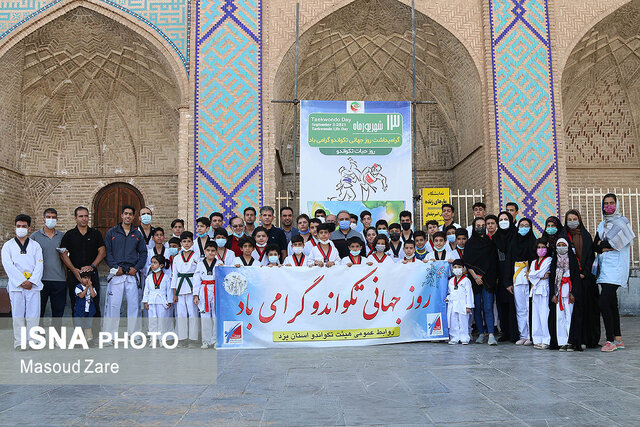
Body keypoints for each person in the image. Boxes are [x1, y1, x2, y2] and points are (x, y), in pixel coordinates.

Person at [594, 193, 635, 352]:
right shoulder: (602, 225)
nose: (608, 206)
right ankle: (618, 339)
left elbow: (614, 244)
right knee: (611, 303)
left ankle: (609, 340)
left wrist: (604, 244)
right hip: (604, 268)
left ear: (617, 204)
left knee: (603, 302)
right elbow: (596, 246)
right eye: (606, 203)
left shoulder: (622, 223)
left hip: (617, 268)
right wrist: (604, 245)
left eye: (611, 203)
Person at [103, 205, 147, 345]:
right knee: (113, 306)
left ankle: (135, 335)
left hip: (132, 274)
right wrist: (115, 268)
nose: (128, 216)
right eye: (125, 214)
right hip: (117, 274)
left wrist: (137, 267)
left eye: (130, 214)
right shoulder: (112, 232)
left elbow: (143, 253)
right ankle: (110, 337)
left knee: (134, 305)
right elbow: (107, 252)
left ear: (134, 217)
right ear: (121, 215)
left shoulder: (137, 233)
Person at [60, 206, 105, 334]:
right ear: (75, 218)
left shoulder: (95, 234)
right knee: (77, 306)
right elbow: (63, 254)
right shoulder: (69, 235)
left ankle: (94, 336)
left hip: (92, 276)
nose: (84, 219)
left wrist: (92, 266)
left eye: (86, 216)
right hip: (75, 276)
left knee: (94, 304)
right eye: (81, 216)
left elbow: (102, 252)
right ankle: (79, 337)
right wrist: (74, 270)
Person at [2, 214, 43, 349]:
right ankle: (19, 342)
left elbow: (39, 264)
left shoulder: (36, 246)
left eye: (24, 226)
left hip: (33, 285)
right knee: (18, 315)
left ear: (29, 228)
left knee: (33, 315)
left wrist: (31, 281)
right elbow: (8, 265)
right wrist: (21, 281)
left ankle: (33, 341)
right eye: (18, 226)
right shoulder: (8, 246)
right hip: (16, 285)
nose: (21, 228)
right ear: (14, 228)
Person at [561, 209, 599, 348]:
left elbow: (590, 256)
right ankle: (574, 339)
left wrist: (585, 273)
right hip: (570, 279)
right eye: (569, 219)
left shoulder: (586, 236)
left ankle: (588, 339)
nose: (572, 222)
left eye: (574, 219)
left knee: (587, 308)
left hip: (586, 279)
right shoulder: (563, 236)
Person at [30, 208, 66, 333]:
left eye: (54, 217)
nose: (51, 220)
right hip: (40, 280)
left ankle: (56, 337)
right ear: (43, 219)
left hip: (59, 279)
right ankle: (39, 336)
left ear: (57, 219)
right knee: (38, 311)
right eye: (48, 217)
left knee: (58, 311)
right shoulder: (34, 236)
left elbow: (67, 257)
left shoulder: (62, 236)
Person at [463, 217, 498, 345]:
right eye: (478, 225)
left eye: (483, 225)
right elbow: (467, 262)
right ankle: (481, 333)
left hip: (488, 279)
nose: (481, 227)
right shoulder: (470, 243)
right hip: (474, 280)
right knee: (477, 307)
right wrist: (476, 276)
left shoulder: (490, 243)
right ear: (474, 227)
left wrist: (483, 276)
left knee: (488, 307)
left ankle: (491, 334)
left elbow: (492, 261)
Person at [509, 218, 537, 345]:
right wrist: (508, 282)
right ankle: (523, 334)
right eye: (522, 225)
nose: (524, 227)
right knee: (520, 308)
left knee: (529, 307)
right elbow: (508, 263)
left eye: (527, 225)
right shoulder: (513, 242)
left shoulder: (534, 243)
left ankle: (532, 335)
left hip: (530, 279)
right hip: (517, 279)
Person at [550, 238, 581, 351]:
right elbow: (552, 278)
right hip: (558, 292)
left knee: (569, 316)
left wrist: (574, 293)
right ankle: (562, 341)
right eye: (559, 245)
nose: (561, 247)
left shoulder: (571, 259)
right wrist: (553, 294)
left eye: (564, 245)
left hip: (569, 291)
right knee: (560, 317)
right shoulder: (554, 260)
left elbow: (576, 277)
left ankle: (571, 341)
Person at [171, 231, 199, 348]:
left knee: (193, 313)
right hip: (180, 287)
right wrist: (174, 293)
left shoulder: (196, 257)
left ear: (192, 243)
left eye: (188, 241)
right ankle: (182, 338)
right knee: (181, 314)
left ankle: (193, 339)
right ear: (180, 243)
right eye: (184, 241)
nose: (186, 244)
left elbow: (198, 275)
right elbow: (174, 275)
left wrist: (197, 292)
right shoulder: (177, 258)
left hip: (192, 286)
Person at [495, 211, 518, 342]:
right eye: (501, 219)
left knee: (514, 305)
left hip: (514, 274)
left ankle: (515, 332)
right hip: (500, 276)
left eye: (506, 219)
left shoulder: (516, 235)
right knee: (502, 305)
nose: (503, 221)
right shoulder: (497, 237)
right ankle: (505, 332)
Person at [528, 239, 551, 349]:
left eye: (543, 247)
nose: (540, 249)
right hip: (535, 288)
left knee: (544, 314)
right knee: (536, 315)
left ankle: (546, 340)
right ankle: (537, 339)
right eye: (539, 247)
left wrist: (532, 275)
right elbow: (533, 275)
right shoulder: (533, 262)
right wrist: (536, 275)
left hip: (544, 288)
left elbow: (539, 273)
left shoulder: (549, 260)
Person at [194, 242, 218, 349]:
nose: (210, 253)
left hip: (216, 290)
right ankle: (206, 341)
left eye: (213, 251)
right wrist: (196, 295)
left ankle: (215, 340)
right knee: (205, 317)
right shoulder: (200, 264)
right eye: (208, 250)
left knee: (216, 316)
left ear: (216, 252)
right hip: (203, 291)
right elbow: (196, 280)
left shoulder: (219, 263)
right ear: (204, 251)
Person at [142, 255, 171, 338]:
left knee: (162, 320)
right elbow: (146, 290)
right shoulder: (149, 277)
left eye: (155, 263)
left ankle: (162, 338)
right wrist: (146, 301)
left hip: (162, 300)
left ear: (161, 265)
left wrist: (169, 301)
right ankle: (153, 338)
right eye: (151, 263)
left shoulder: (166, 277)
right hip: (152, 300)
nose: (152, 265)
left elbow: (168, 290)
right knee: (152, 320)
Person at [446, 260, 473, 345]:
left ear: (463, 268)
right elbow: (450, 292)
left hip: (463, 304)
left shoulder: (466, 280)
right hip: (453, 303)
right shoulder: (451, 281)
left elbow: (469, 294)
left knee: (463, 321)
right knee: (453, 321)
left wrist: (469, 306)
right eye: (455, 267)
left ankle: (464, 338)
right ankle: (454, 337)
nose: (457, 269)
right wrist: (448, 298)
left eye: (459, 267)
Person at [74, 270, 97, 346]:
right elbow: (81, 295)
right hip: (79, 311)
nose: (87, 280)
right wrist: (86, 288)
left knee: (88, 326)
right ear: (81, 279)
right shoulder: (78, 287)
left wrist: (90, 287)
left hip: (89, 311)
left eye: (88, 278)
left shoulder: (92, 287)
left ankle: (89, 340)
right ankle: (78, 341)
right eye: (85, 278)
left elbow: (93, 295)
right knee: (78, 326)